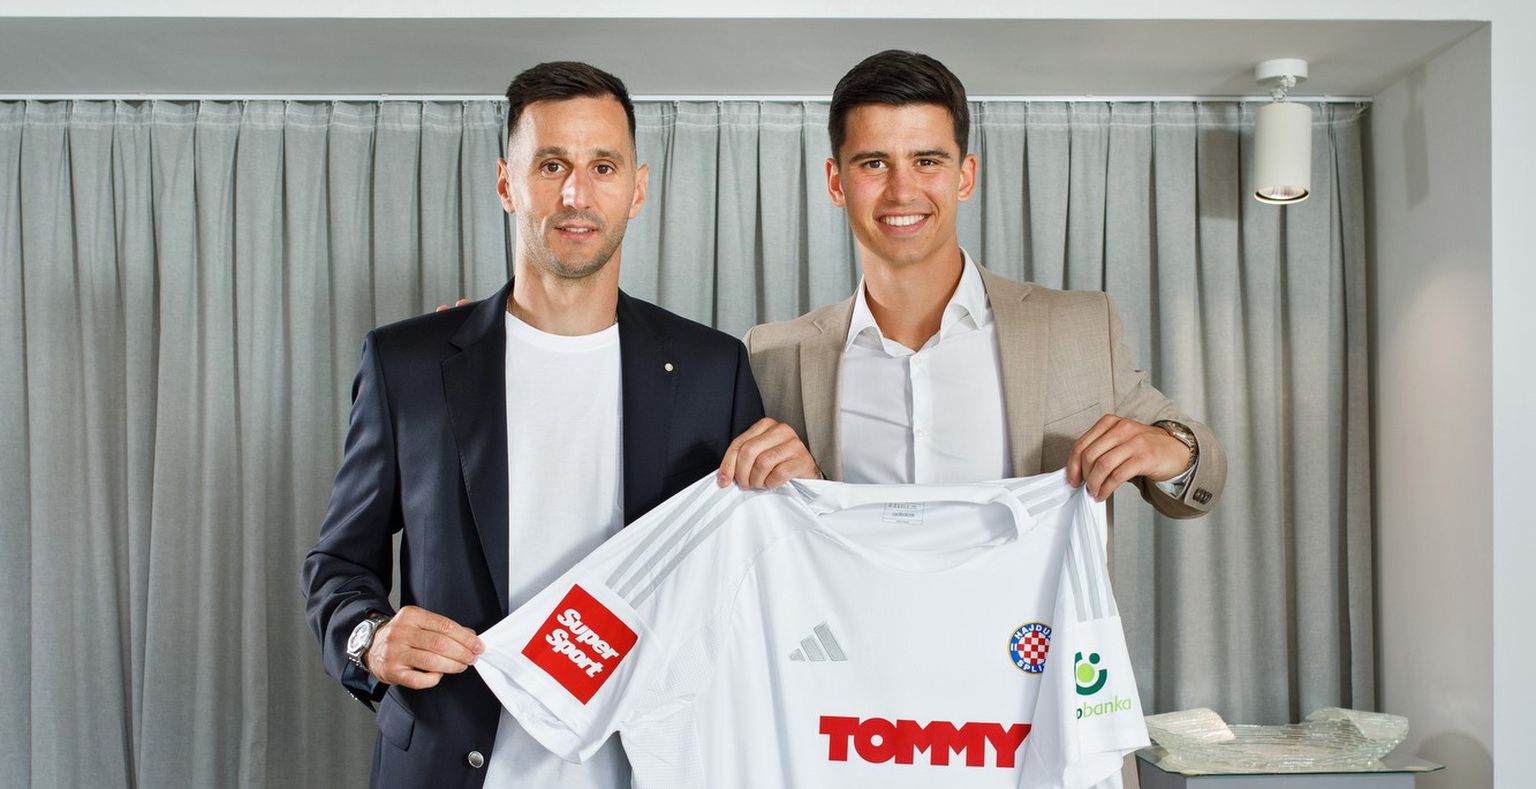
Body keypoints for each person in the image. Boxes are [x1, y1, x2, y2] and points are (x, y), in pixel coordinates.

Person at [302, 62, 764, 789]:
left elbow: (754, 579)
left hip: (647, 766)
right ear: (506, 182)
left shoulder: (715, 368)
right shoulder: (407, 363)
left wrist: (804, 486)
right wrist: (370, 637)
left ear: (637, 188)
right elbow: (338, 563)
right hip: (446, 765)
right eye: (551, 166)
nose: (576, 194)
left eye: (602, 167)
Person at [719, 49, 1224, 518]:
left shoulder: (1080, 326)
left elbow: (1202, 476)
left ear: (965, 176)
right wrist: (797, 493)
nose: (901, 191)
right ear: (836, 183)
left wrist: (1170, 449)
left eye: (927, 161)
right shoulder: (772, 356)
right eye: (874, 163)